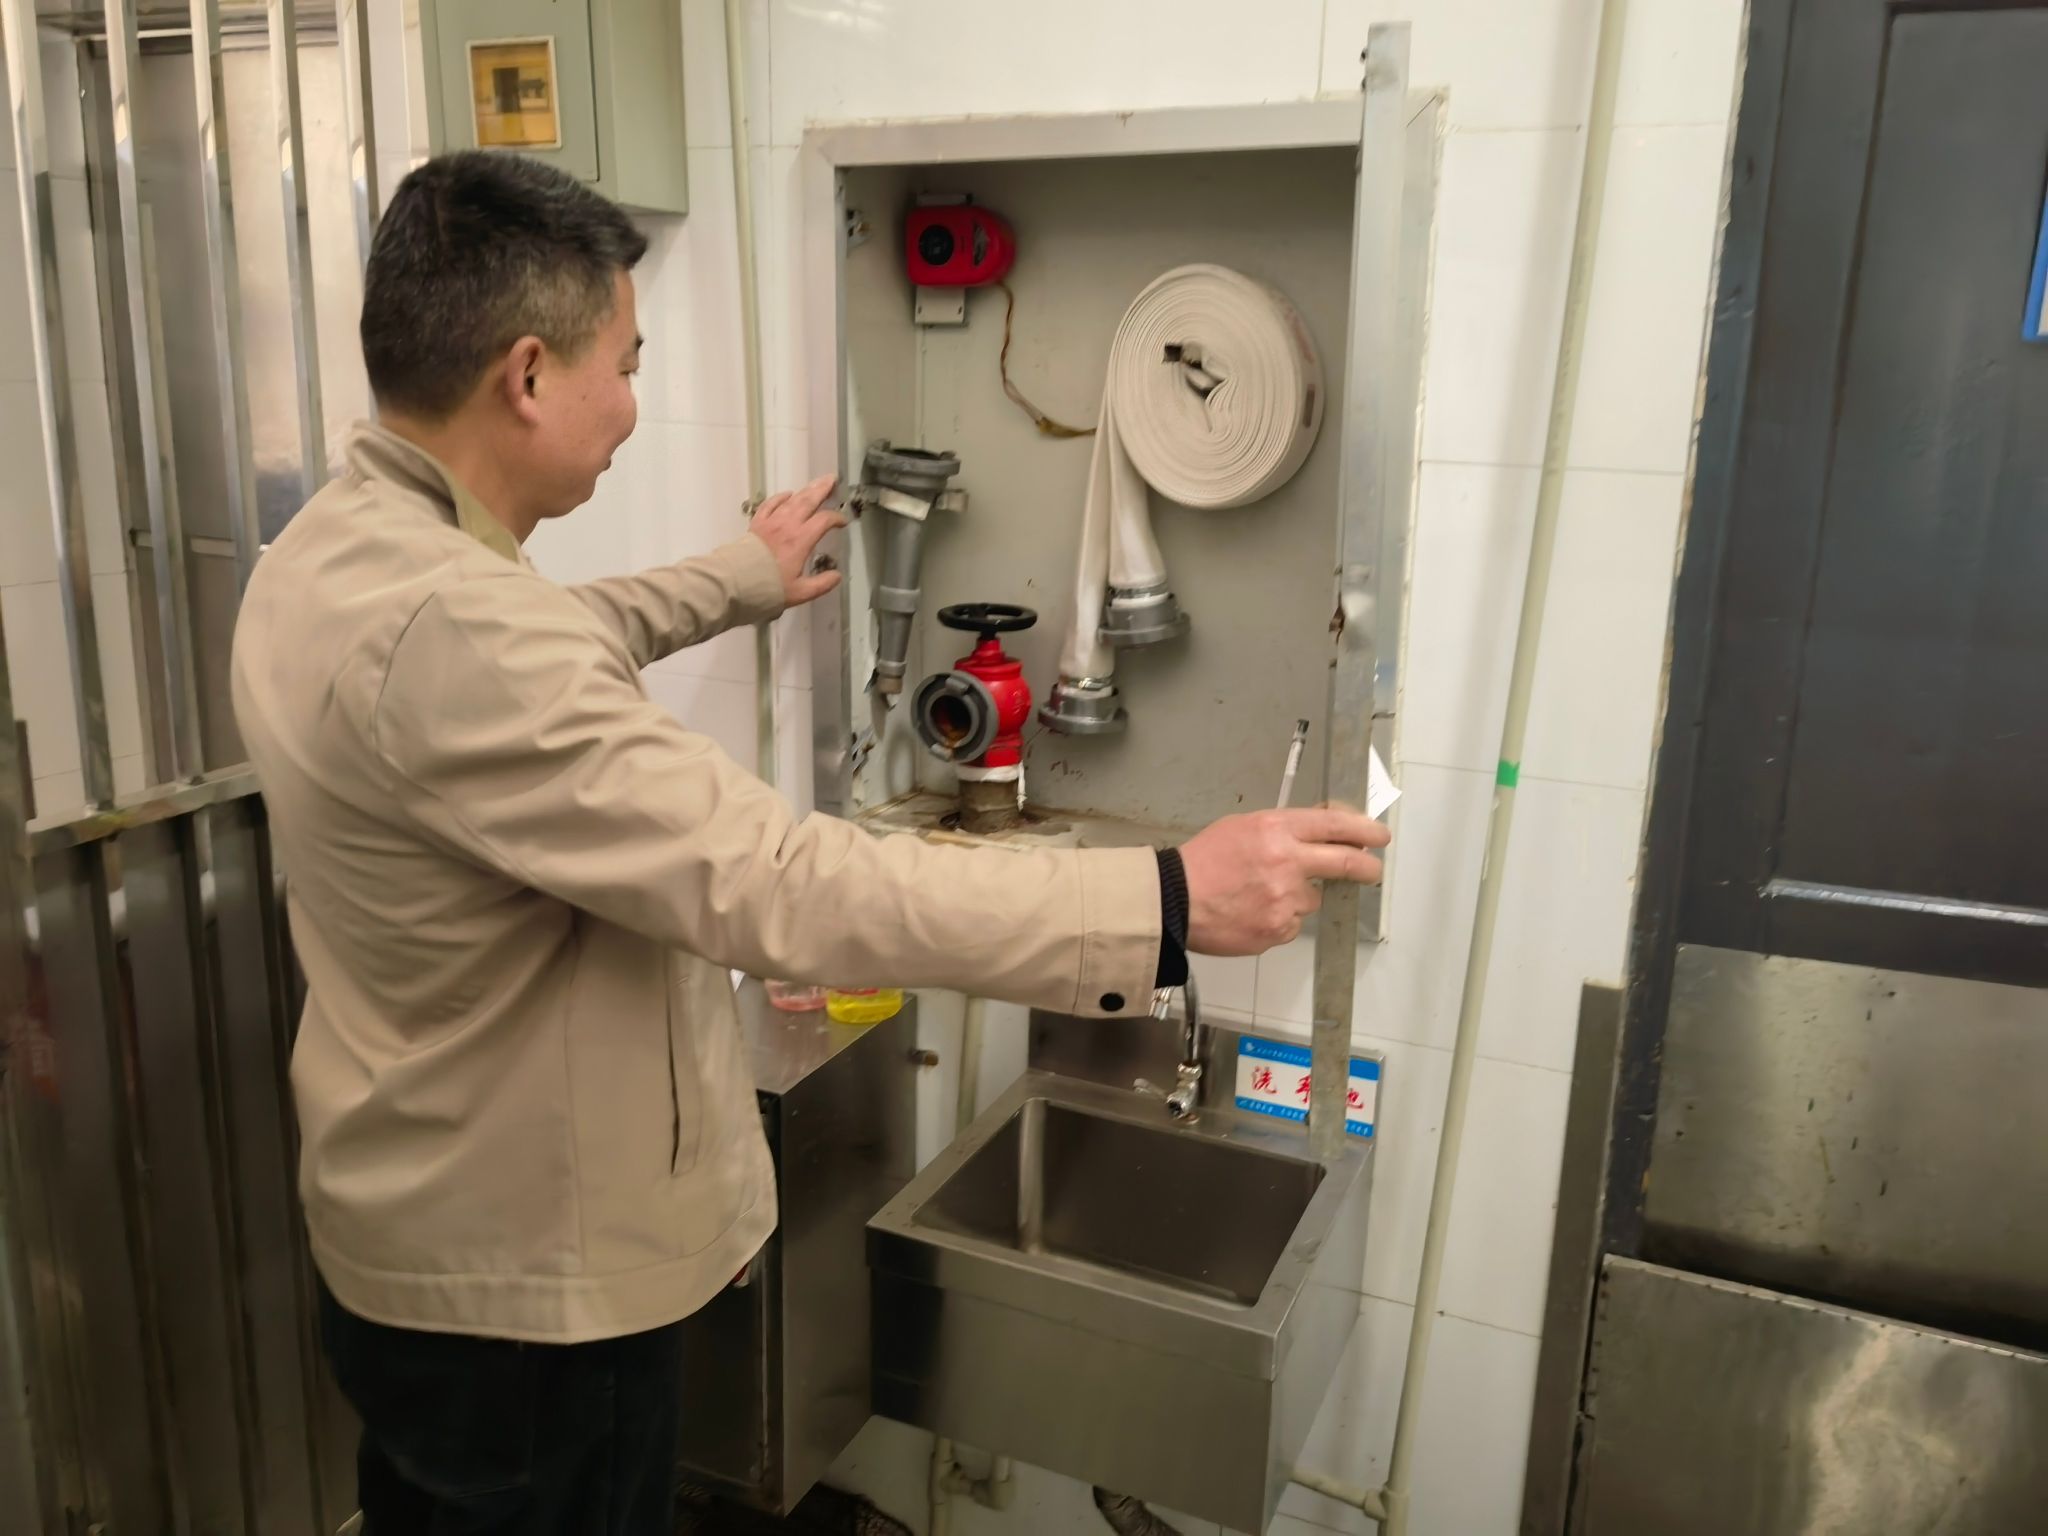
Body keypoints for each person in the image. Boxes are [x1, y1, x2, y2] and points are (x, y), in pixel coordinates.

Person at [230, 150, 1389, 1535]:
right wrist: (1169, 901)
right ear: (527, 376)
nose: (634, 407)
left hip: (416, 1245)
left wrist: (737, 577)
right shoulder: (464, 635)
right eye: (625, 367)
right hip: (531, 1313)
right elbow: (782, 882)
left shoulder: (335, 556)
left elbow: (547, 636)